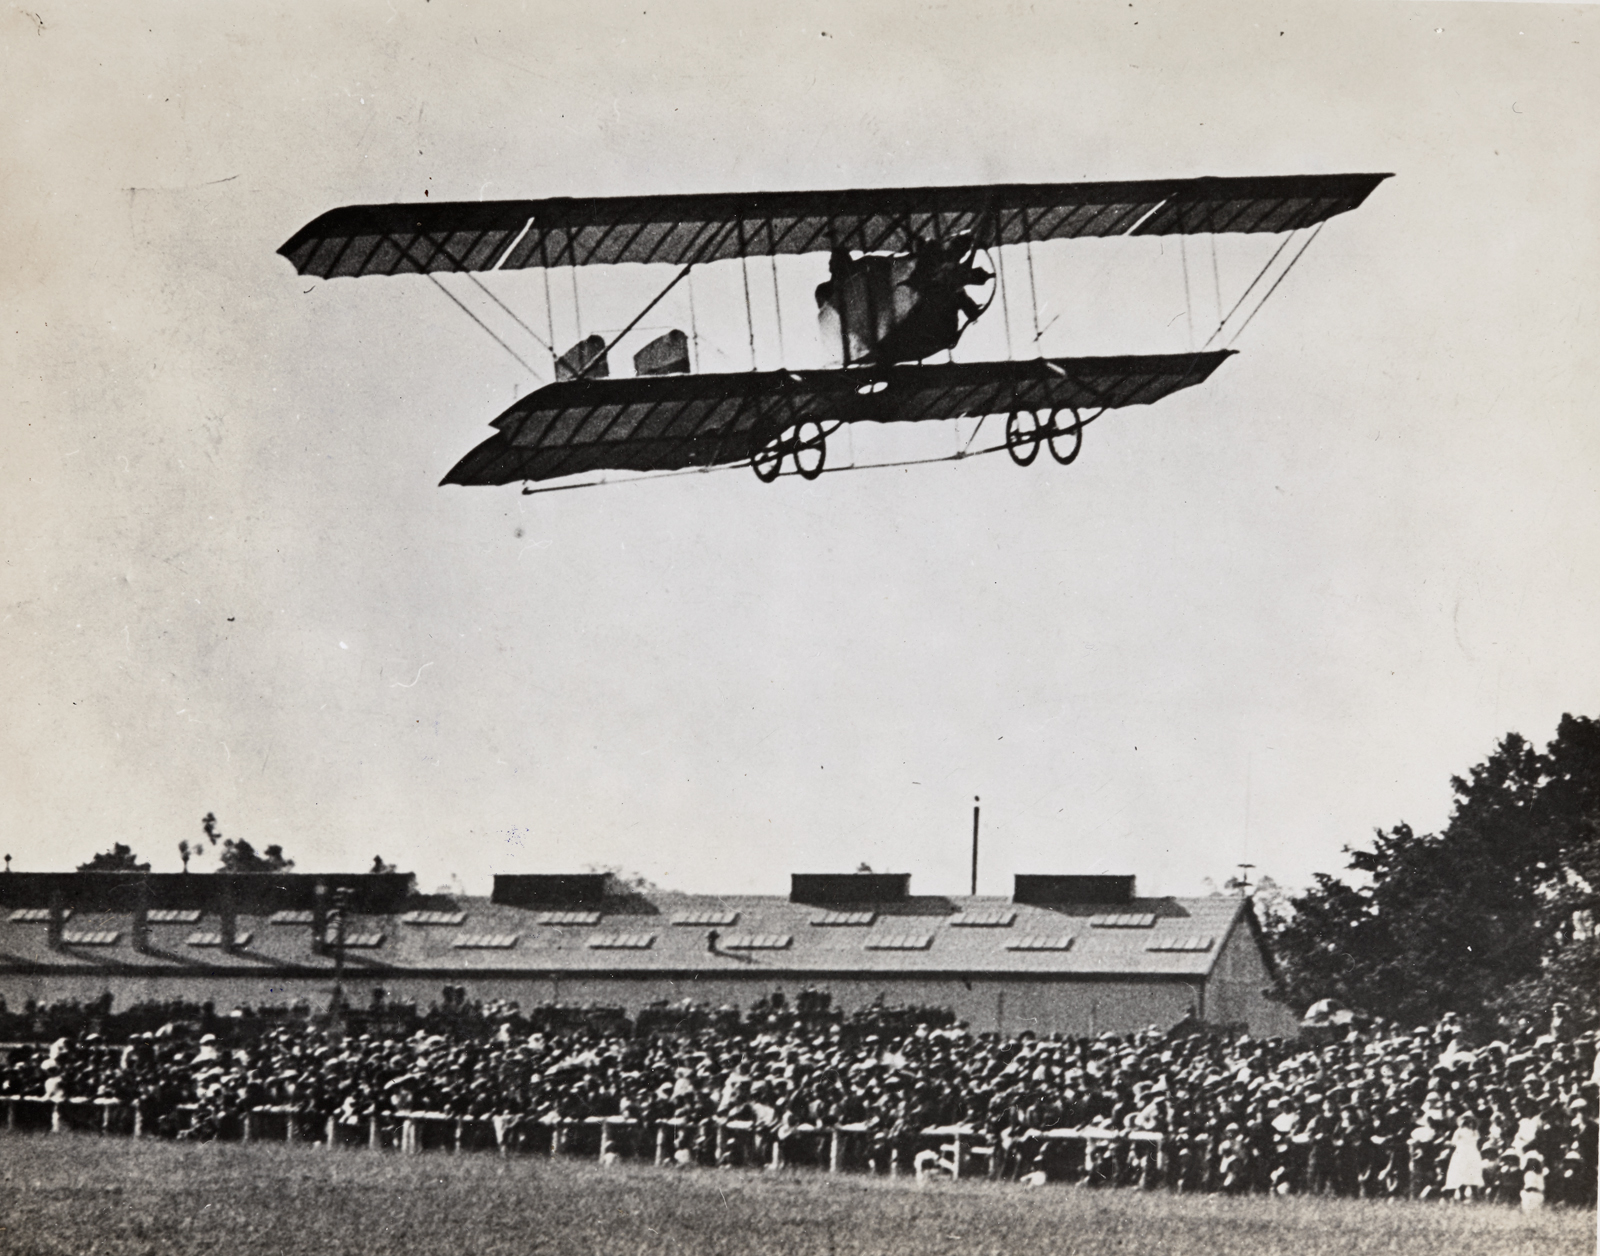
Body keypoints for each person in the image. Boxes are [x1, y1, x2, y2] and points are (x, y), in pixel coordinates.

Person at [1443, 1113, 1483, 1201]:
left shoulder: (1475, 1131)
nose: (1468, 1123)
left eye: (1470, 1121)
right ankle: (1462, 1195)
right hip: (1461, 1153)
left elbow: (1478, 1142)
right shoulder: (1459, 1131)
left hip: (1472, 1154)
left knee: (1472, 1173)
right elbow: (1454, 1142)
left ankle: (1475, 1195)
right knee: (1461, 1173)